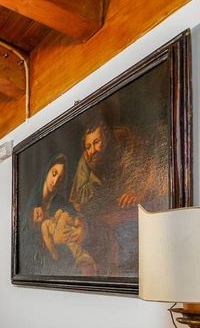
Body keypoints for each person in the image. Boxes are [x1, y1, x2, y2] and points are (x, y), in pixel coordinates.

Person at [68, 117, 168, 275]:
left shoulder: (127, 144)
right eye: (88, 146)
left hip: (134, 217)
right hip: (107, 222)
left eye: (96, 142)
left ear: (106, 138)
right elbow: (82, 202)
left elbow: (150, 174)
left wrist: (138, 193)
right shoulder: (86, 163)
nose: (92, 150)